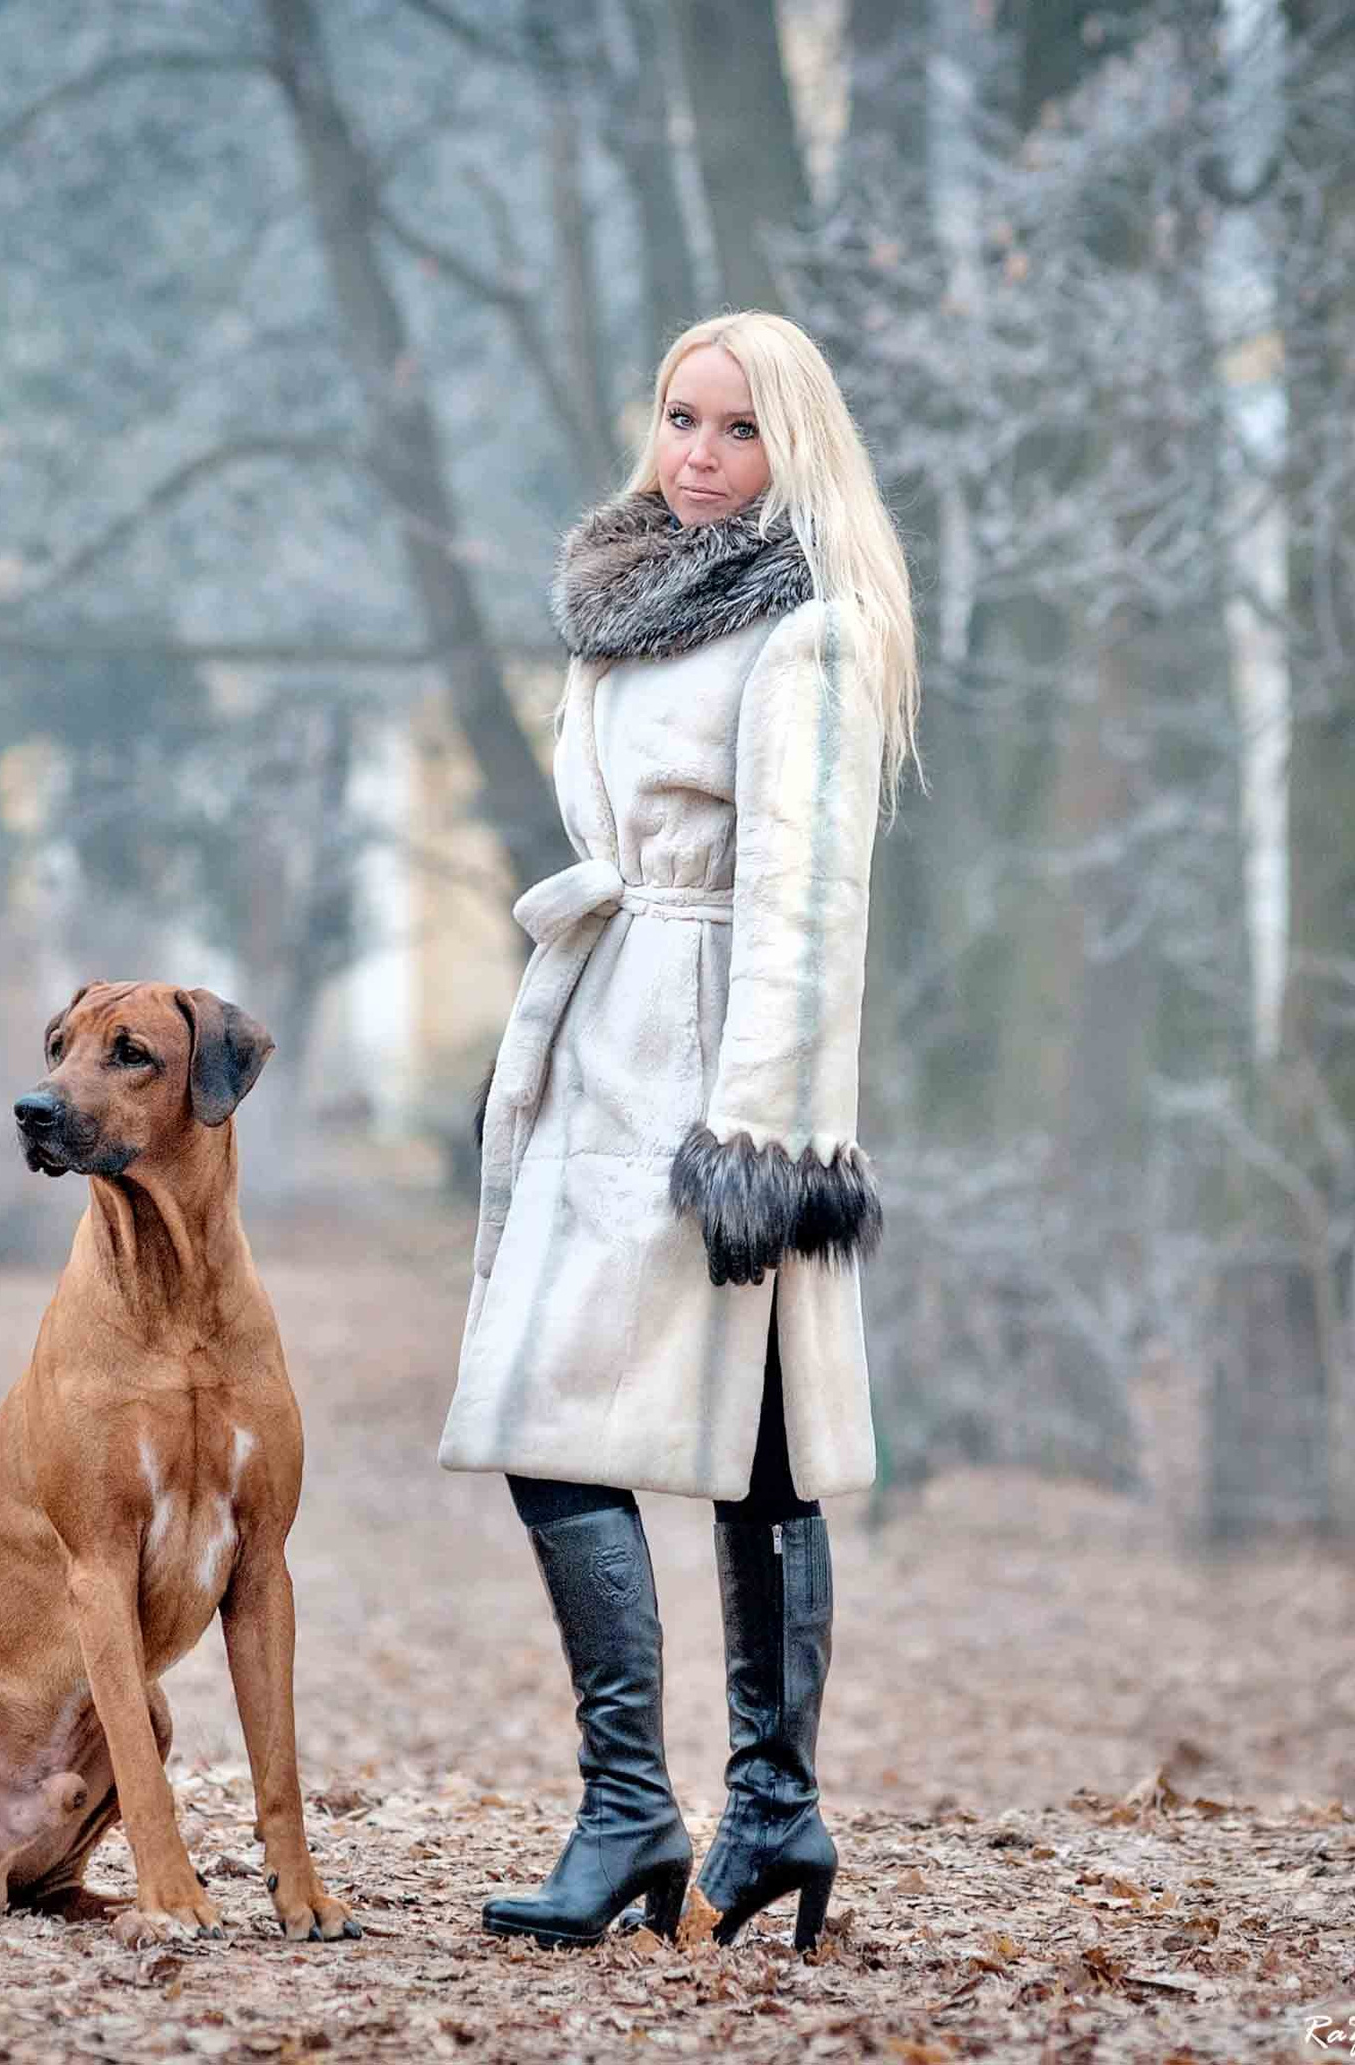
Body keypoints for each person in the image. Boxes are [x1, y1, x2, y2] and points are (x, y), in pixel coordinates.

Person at [439, 310, 921, 1952]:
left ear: (797, 449)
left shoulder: (811, 631)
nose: (699, 456)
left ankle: (763, 1802)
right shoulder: (631, 609)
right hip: (605, 1040)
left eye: (738, 430)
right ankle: (645, 1806)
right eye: (679, 419)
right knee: (553, 1414)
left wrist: (763, 1142)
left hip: (716, 1066)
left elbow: (809, 903)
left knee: (752, 1447)